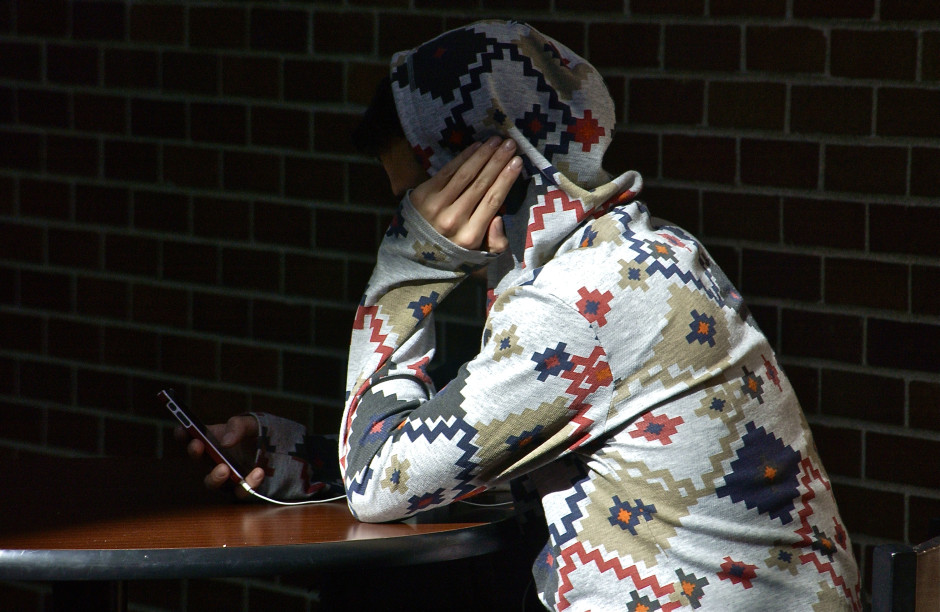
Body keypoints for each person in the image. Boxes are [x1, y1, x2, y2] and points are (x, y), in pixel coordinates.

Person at [184, 20, 861, 611]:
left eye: (415, 199)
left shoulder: (579, 302)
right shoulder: (647, 253)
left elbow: (376, 487)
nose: (413, 220)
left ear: (493, 171)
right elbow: (477, 455)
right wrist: (292, 461)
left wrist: (408, 266)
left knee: (373, 593)